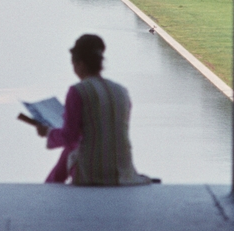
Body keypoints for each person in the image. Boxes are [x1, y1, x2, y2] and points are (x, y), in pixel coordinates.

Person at [34, 34, 153, 186]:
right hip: (123, 171)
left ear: (80, 64)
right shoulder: (121, 91)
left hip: (91, 173)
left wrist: (48, 132)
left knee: (71, 147)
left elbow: (70, 136)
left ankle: (49, 187)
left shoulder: (78, 91)